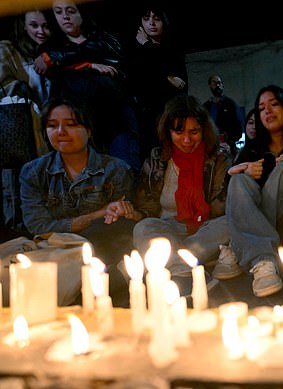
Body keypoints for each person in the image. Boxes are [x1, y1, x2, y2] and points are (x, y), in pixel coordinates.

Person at [19, 96, 136, 305]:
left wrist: (115, 213)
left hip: (102, 248)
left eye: (71, 125)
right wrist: (98, 214)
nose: (61, 132)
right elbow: (37, 225)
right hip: (55, 249)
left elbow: (119, 222)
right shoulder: (33, 172)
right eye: (52, 126)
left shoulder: (115, 169)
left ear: (89, 130)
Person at [220, 85, 283, 297]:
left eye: (274, 104)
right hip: (268, 233)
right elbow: (228, 195)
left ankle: (238, 244)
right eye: (261, 108)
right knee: (238, 180)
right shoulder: (250, 152)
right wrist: (235, 171)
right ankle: (263, 260)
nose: (267, 111)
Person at [131, 95, 234, 295]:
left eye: (194, 132)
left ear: (204, 130)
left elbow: (220, 206)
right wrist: (132, 213)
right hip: (167, 229)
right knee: (143, 228)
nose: (187, 140)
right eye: (179, 132)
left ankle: (170, 265)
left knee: (231, 222)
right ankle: (187, 272)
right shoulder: (156, 158)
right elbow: (147, 207)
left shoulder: (219, 158)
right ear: (168, 131)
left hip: (206, 229)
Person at [34, 0, 141, 172]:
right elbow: (43, 65)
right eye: (59, 12)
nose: (65, 17)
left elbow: (116, 63)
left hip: (116, 118)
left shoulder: (105, 39)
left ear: (81, 13)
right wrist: (89, 65)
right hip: (77, 123)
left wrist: (66, 59)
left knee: (126, 170)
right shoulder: (49, 48)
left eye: (70, 11)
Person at [1, 10, 54, 240]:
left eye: (45, 26)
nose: (40, 31)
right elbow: (5, 87)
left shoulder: (51, 53)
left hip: (45, 129)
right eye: (34, 25)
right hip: (18, 127)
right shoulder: (7, 49)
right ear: (23, 26)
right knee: (14, 182)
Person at [126, 5, 188, 163]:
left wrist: (147, 46)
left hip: (171, 114)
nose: (151, 23)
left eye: (156, 18)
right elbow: (140, 84)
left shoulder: (173, 48)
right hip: (145, 118)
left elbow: (181, 85)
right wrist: (166, 78)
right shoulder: (134, 53)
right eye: (146, 19)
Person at [203, 74, 244, 157]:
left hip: (228, 149)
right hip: (210, 149)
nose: (217, 85)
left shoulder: (231, 104)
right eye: (214, 83)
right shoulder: (206, 107)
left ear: (222, 85)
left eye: (219, 83)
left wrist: (230, 142)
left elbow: (240, 126)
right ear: (210, 86)